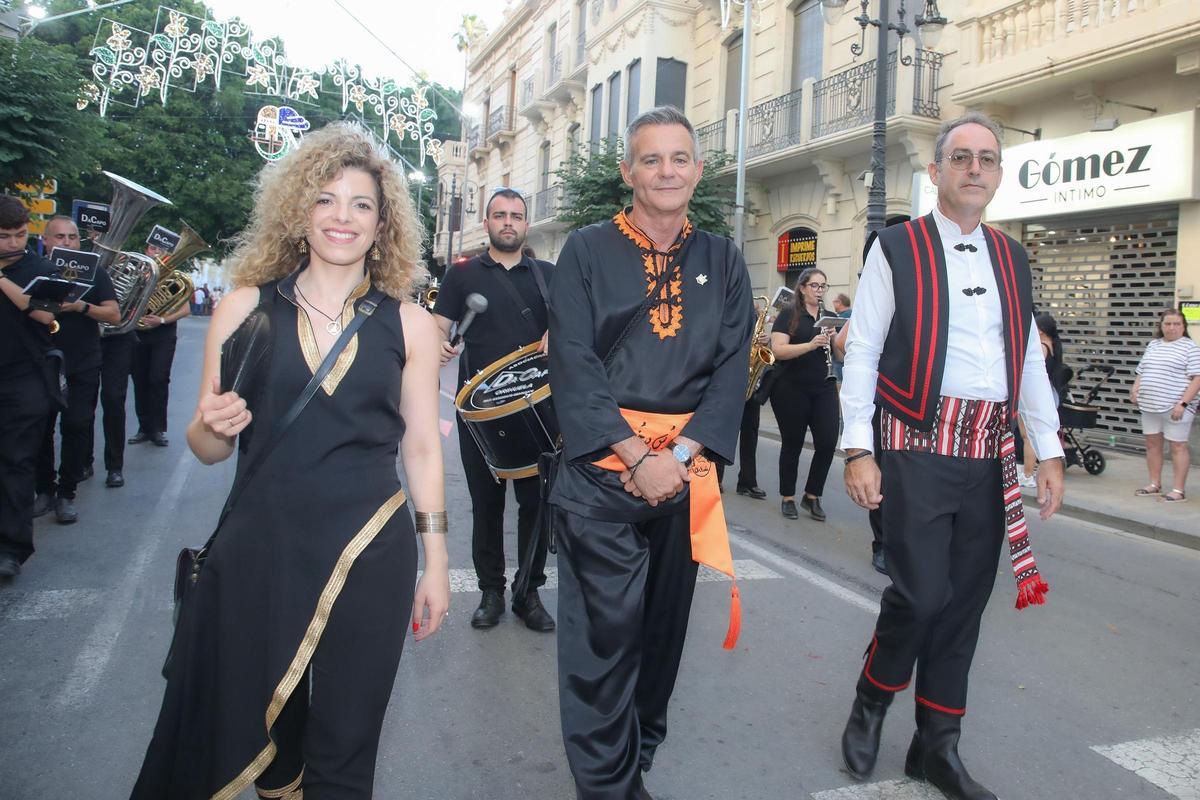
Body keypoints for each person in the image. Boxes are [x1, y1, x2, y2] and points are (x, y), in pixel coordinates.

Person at [131, 123, 451, 799]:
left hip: (370, 549)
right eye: (326, 200)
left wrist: (439, 563)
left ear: (382, 222)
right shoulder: (248, 306)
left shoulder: (411, 325)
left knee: (346, 744)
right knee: (268, 738)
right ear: (298, 213)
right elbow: (207, 446)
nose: (342, 217)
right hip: (262, 548)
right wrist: (215, 425)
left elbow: (421, 447)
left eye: (361, 204)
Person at [838, 112, 1065, 800]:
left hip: (987, 447)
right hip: (913, 441)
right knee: (920, 593)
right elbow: (866, 348)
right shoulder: (896, 248)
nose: (974, 168)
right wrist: (857, 447)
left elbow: (1024, 358)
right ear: (935, 172)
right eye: (961, 158)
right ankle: (873, 698)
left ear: (998, 175)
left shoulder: (1012, 256)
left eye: (987, 159)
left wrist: (1047, 446)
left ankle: (937, 747)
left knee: (964, 602)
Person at [548, 106, 753, 800]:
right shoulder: (584, 249)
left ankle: (637, 761)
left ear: (698, 169)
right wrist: (637, 456)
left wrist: (680, 453)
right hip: (602, 478)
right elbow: (572, 363)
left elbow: (732, 373)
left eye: (679, 158)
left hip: (685, 476)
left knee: (661, 642)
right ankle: (607, 787)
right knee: (603, 643)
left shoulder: (723, 258)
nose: (666, 171)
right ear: (627, 171)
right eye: (651, 159)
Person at [432, 187, 555, 633]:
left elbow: (576, 326)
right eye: (499, 215)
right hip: (479, 414)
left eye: (516, 215)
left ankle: (528, 592)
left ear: (526, 224)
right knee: (486, 503)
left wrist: (559, 334)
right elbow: (437, 329)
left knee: (536, 504)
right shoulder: (462, 276)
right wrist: (438, 347)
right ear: (486, 223)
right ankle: (490, 593)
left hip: (537, 411)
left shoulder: (547, 275)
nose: (508, 222)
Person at [32, 217, 120, 524]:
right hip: (43, 360)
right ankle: (43, 488)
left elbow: (114, 314)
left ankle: (66, 493)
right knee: (41, 428)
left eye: (72, 237)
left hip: (83, 359)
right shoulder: (35, 269)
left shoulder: (95, 271)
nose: (67, 242)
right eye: (60, 237)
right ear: (46, 241)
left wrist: (80, 307)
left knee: (77, 425)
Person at [0, 197, 57, 579]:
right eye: (4, 236)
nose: (14, 243)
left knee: (15, 462)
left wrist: (2, 280)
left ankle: (11, 549)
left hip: (24, 378)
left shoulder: (41, 268)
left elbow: (46, 313)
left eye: (20, 235)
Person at [769, 267, 839, 522]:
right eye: (815, 286)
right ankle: (788, 496)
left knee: (828, 442)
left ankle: (812, 495)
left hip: (824, 387)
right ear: (802, 288)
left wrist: (835, 339)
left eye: (823, 286)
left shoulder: (829, 317)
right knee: (793, 443)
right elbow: (778, 350)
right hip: (791, 388)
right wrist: (811, 344)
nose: (819, 291)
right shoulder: (789, 314)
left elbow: (841, 356)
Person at [1132, 307, 1199, 502]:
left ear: (1183, 326)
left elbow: (1197, 378)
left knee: (1178, 446)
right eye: (1167, 324)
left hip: (1175, 407)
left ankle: (1178, 490)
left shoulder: (1190, 348)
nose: (1171, 328)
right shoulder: (1154, 345)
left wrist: (1183, 403)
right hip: (1150, 405)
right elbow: (1141, 371)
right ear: (1161, 326)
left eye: (1176, 324)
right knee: (1152, 445)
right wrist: (1135, 389)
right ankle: (1154, 483)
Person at [128, 243, 191, 447]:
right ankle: (143, 427)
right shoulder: (138, 275)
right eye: (153, 248)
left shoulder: (174, 278)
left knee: (158, 378)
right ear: (146, 251)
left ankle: (157, 429)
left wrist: (162, 320)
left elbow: (185, 310)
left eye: (161, 249)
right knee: (140, 379)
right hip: (138, 333)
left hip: (163, 333)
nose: (156, 253)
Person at [1016, 313, 1068, 486]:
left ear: (1043, 331)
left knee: (1027, 437)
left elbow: (1031, 372)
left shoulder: (1041, 347)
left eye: (1037, 328)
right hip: (1050, 394)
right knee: (1029, 436)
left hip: (1039, 396)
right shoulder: (1052, 346)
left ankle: (1028, 474)